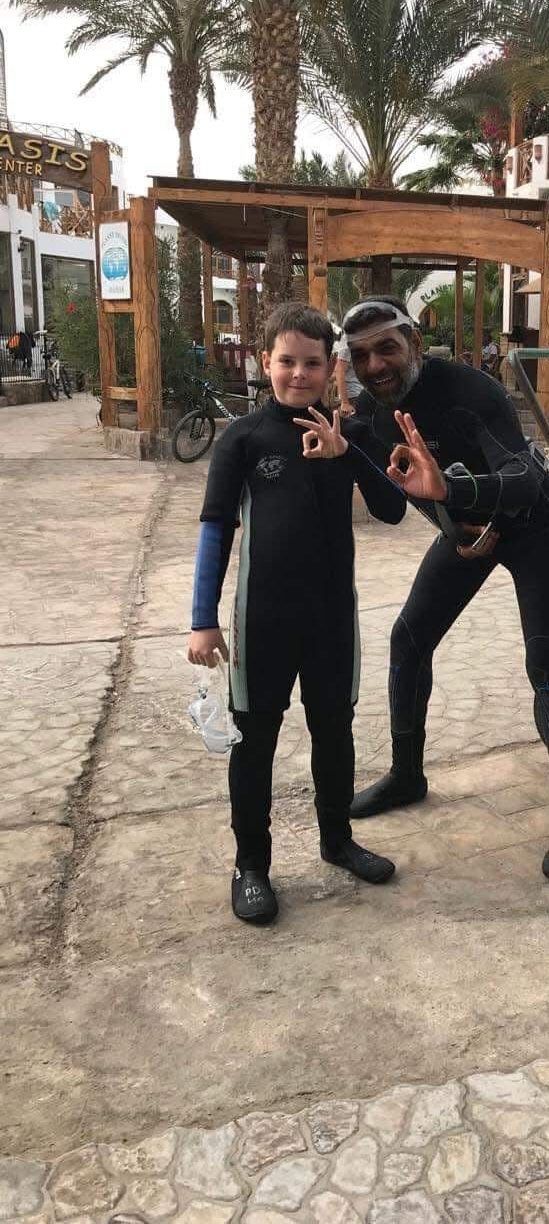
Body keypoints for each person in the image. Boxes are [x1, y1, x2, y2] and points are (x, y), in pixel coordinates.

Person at [339, 295, 549, 881]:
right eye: (360, 356)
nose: (375, 365)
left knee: (545, 658)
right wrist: (353, 448)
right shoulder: (372, 414)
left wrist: (453, 493)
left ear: (415, 344)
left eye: (387, 348)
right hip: (467, 531)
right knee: (407, 641)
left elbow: (525, 479)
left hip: (532, 527)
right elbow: (395, 504)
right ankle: (408, 774)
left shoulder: (471, 390)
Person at [186, 302, 406, 925]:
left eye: (312, 362)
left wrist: (348, 456)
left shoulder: (353, 433)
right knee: (253, 744)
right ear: (266, 363)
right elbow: (215, 531)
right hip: (265, 621)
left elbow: (392, 510)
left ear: (330, 366)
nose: (299, 374)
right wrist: (203, 619)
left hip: (333, 617)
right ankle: (250, 865)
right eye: (287, 361)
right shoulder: (245, 439)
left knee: (334, 733)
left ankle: (337, 842)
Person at [333, 331, 363, 416]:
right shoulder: (348, 338)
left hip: (363, 392)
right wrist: (344, 402)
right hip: (353, 395)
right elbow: (340, 369)